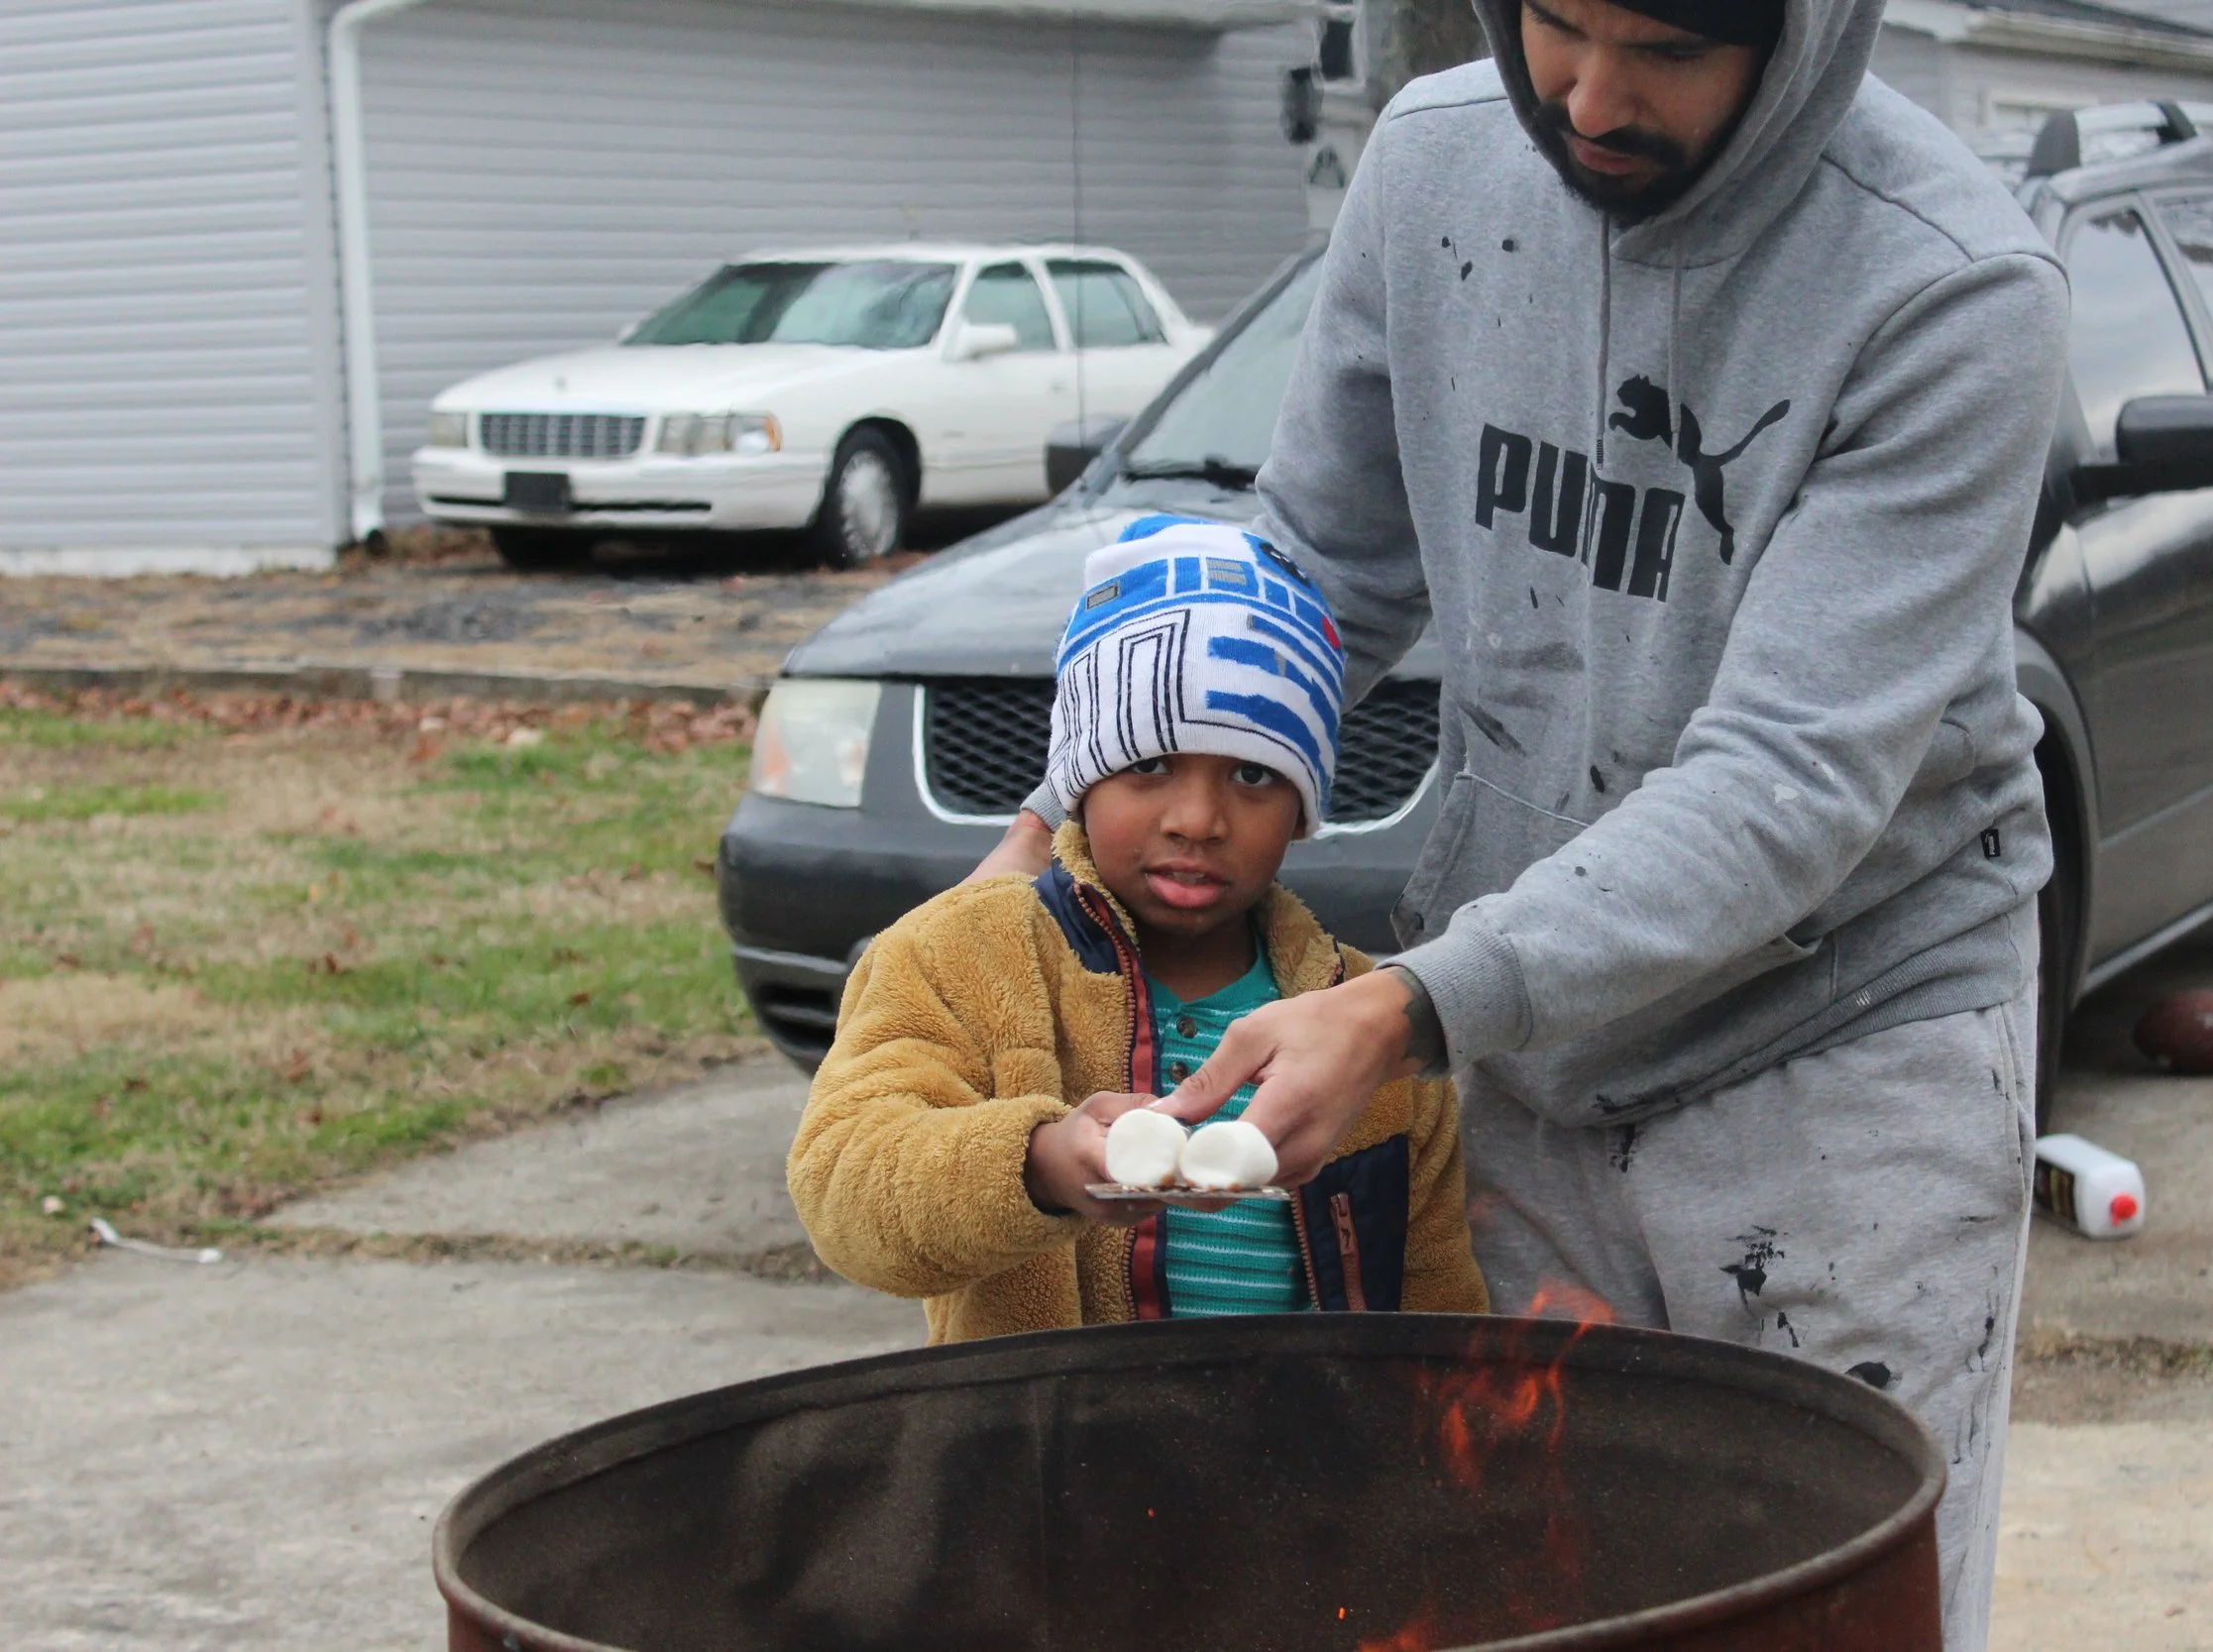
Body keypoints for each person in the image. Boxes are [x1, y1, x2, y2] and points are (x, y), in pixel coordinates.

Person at [976, 0, 2066, 1643]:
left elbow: (1788, 781)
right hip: (1536, 1052)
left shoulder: (1945, 289)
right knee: (1531, 1582)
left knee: (1826, 1603)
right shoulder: (1429, 167)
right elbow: (1324, 568)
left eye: (1672, 49)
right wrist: (1066, 827)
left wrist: (1408, 1004)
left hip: (1849, 1052)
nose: (1593, 94)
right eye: (1555, 19)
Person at [790, 516, 1487, 1341]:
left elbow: (1441, 1308)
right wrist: (1039, 1163)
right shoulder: (963, 955)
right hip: (1050, 1458)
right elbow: (847, 1185)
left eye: (1255, 774)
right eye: (1150, 765)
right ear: (1079, 780)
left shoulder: (1361, 1027)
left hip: (1304, 1459)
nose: (1197, 819)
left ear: (1304, 809)